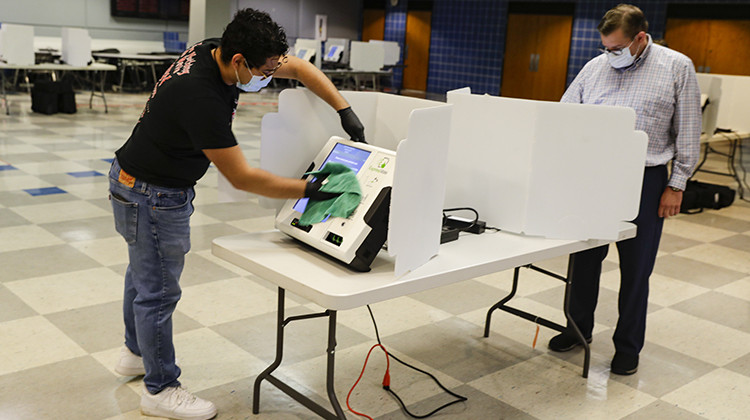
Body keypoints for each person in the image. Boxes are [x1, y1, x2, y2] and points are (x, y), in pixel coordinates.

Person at [108, 8, 365, 420]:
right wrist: (311, 190)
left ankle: (135, 353)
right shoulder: (200, 96)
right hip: (152, 193)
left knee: (143, 273)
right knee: (158, 291)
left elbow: (296, 67)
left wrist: (342, 109)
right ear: (240, 61)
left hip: (134, 179)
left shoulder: (215, 49)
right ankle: (160, 390)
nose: (270, 75)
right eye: (264, 70)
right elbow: (242, 177)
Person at [547, 4, 700, 375]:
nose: (609, 55)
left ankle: (627, 347)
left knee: (636, 269)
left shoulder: (677, 67)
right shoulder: (595, 67)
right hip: (595, 177)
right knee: (584, 259)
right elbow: (566, 113)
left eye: (617, 48)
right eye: (605, 48)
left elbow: (689, 130)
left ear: (640, 38)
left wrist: (676, 184)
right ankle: (578, 328)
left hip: (645, 179)